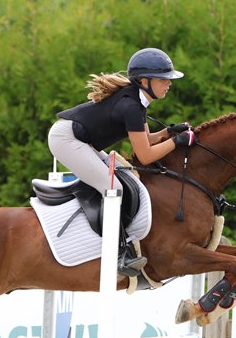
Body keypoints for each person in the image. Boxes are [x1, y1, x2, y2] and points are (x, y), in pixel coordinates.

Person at [47, 47, 197, 277]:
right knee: (114, 188)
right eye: (163, 79)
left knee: (124, 175)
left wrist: (169, 132)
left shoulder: (138, 101)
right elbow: (145, 156)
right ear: (145, 81)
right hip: (66, 140)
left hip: (80, 140)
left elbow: (147, 140)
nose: (169, 83)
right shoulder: (132, 107)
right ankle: (119, 253)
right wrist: (177, 142)